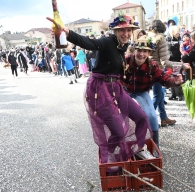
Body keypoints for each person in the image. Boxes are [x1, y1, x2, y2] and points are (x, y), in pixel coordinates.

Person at [48, 13, 154, 163]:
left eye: (129, 30)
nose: (126, 34)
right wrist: (67, 32)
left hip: (115, 88)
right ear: (115, 31)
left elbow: (121, 67)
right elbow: (90, 43)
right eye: (122, 30)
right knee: (118, 131)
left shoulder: (123, 46)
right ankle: (109, 158)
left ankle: (138, 149)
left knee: (142, 118)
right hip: (100, 90)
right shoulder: (107, 42)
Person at [121, 35, 183, 149]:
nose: (141, 54)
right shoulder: (125, 61)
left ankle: (154, 146)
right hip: (124, 92)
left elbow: (164, 79)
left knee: (152, 116)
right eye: (139, 50)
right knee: (121, 117)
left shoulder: (152, 66)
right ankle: (124, 146)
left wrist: (175, 82)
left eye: (145, 51)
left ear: (149, 53)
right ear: (135, 50)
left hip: (141, 92)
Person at [149, 19, 187, 127]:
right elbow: (164, 62)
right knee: (157, 95)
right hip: (158, 71)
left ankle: (164, 117)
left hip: (150, 70)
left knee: (160, 94)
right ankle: (147, 120)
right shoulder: (161, 39)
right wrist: (181, 65)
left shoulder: (150, 37)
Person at [166, 25, 184, 101]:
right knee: (171, 77)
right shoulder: (168, 39)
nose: (178, 33)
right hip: (171, 61)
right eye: (177, 32)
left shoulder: (180, 38)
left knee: (178, 77)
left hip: (177, 60)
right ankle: (173, 94)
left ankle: (180, 94)